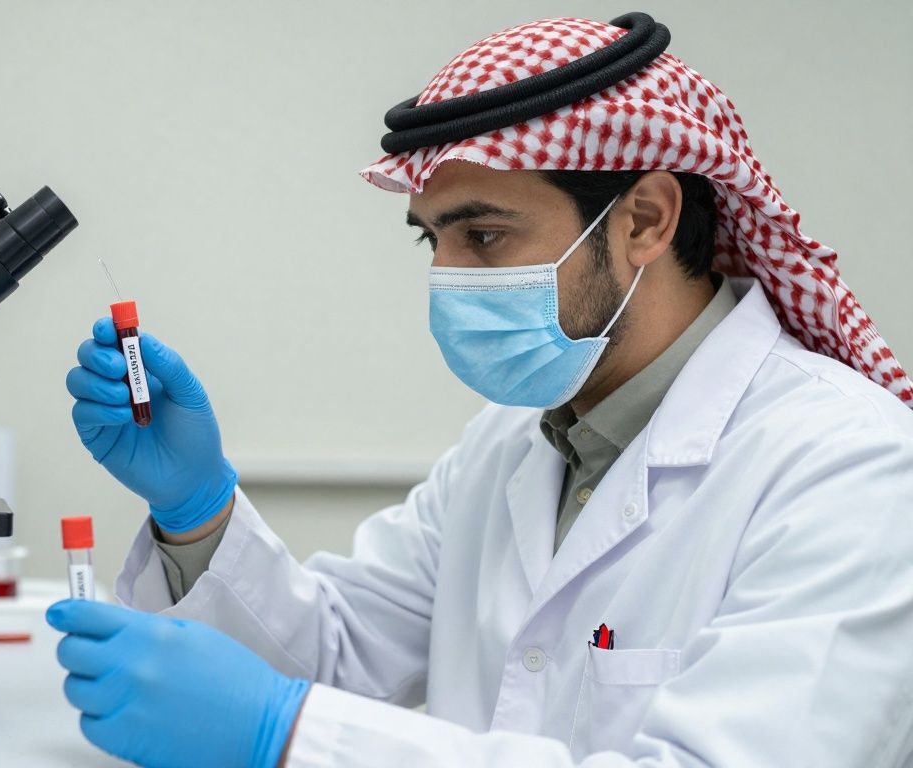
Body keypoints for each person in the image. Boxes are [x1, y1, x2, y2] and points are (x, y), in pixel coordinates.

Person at [48, 12, 913, 768]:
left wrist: (287, 736)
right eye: (433, 242)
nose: (448, 279)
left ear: (646, 219)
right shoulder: (511, 445)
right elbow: (331, 655)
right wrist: (197, 511)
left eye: (485, 237)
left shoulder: (851, 472)